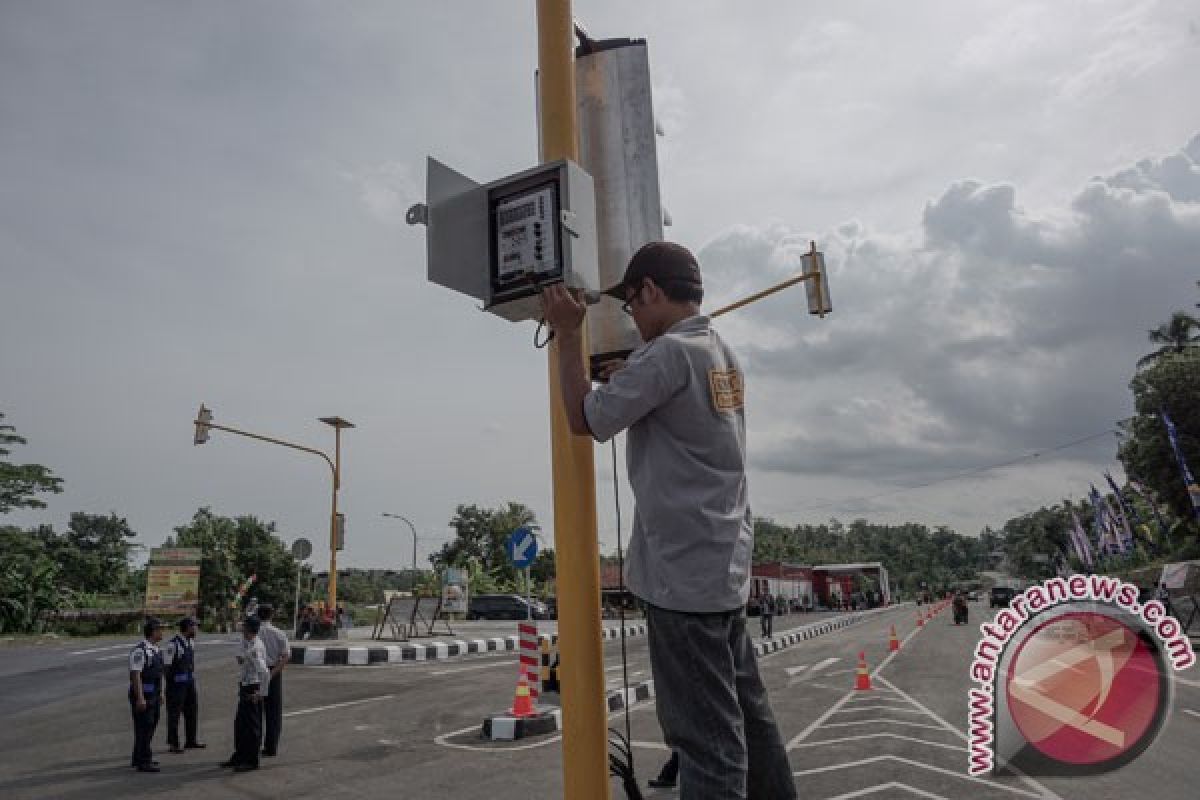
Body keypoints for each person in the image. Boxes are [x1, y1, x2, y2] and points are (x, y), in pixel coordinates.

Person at [541, 241, 796, 800]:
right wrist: (628, 370)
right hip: (721, 569)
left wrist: (565, 334)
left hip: (682, 583)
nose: (632, 318)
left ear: (650, 291)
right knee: (753, 726)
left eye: (631, 306)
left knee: (708, 745)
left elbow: (585, 419)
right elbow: (666, 398)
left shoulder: (666, 357)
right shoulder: (717, 351)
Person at [220, 616, 270, 772]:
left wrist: (261, 693)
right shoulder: (246, 641)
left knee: (252, 727)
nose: (242, 628)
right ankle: (240, 755)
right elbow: (240, 658)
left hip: (253, 688)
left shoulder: (255, 648)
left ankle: (252, 760)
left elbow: (265, 673)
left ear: (249, 629)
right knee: (240, 724)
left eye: (244, 626)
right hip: (244, 686)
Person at [163, 617, 205, 753]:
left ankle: (191, 740)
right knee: (174, 714)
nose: (196, 629)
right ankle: (173, 743)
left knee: (192, 711)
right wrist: (172, 684)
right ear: (188, 627)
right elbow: (166, 667)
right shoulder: (173, 645)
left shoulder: (190, 642)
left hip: (189, 682)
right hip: (176, 685)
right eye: (194, 626)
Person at [128, 617, 165, 772]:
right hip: (144, 694)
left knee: (150, 725)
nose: (163, 632)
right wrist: (140, 698)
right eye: (160, 629)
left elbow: (159, 673)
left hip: (154, 694)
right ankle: (144, 761)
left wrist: (161, 692)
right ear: (153, 631)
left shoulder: (155, 650)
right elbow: (135, 675)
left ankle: (139, 756)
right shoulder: (140, 650)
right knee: (144, 727)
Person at [255, 604, 290, 757]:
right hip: (273, 673)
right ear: (272, 615)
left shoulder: (253, 632)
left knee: (255, 712)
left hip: (255, 673)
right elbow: (286, 656)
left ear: (257, 615)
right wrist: (273, 672)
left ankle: (253, 745)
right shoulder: (279, 633)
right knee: (273, 713)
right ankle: (271, 747)